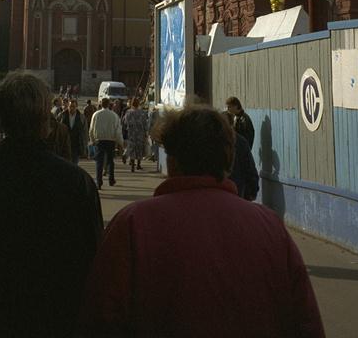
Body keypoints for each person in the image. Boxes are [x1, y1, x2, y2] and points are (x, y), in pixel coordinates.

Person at [78, 105, 325, 338]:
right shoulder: (270, 227)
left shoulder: (132, 224)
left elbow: (100, 319)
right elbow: (306, 323)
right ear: (228, 158)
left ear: (172, 161)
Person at [0, 72, 103, 338]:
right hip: (53, 315)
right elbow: (92, 260)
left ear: (0, 118)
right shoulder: (76, 182)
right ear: (46, 122)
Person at [89, 98, 123, 190]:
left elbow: (91, 129)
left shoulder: (96, 114)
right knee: (110, 161)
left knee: (99, 162)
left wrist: (92, 140)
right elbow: (118, 130)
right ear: (109, 105)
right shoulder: (114, 115)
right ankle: (111, 179)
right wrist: (120, 142)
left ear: (101, 104)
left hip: (99, 140)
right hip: (110, 140)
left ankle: (99, 182)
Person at [224, 111, 259, 200]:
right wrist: (252, 191)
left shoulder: (213, 142)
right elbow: (250, 168)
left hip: (219, 192)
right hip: (238, 190)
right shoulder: (241, 142)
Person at [123, 97, 147, 172]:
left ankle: (132, 165)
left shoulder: (128, 112)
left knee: (132, 148)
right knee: (139, 148)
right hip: (140, 133)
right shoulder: (142, 112)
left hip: (131, 133)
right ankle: (138, 164)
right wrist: (145, 132)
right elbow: (145, 123)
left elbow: (125, 122)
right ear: (138, 104)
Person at [61, 98, 88, 165]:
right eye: (70, 106)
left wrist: (84, 145)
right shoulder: (62, 116)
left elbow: (85, 132)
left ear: (76, 107)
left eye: (73, 106)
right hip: (64, 144)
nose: (72, 108)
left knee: (74, 164)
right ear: (68, 106)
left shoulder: (81, 117)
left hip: (76, 145)